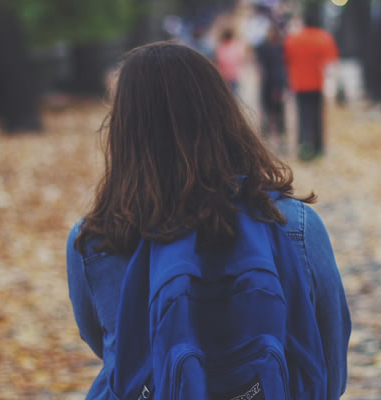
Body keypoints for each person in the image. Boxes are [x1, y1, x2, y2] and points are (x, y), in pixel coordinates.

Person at [66, 42, 350, 399]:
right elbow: (330, 370)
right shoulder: (294, 225)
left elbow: (114, 351)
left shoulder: (94, 240)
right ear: (225, 116)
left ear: (124, 130)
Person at [284, 11, 338, 161]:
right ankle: (319, 147)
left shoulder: (293, 39)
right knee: (317, 117)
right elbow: (330, 63)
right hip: (317, 83)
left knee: (302, 116)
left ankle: (303, 147)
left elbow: (287, 59)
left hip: (299, 83)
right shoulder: (324, 38)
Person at [255, 25, 289, 154]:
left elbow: (278, 70)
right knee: (272, 113)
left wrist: (279, 86)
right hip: (270, 85)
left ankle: (276, 141)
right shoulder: (274, 48)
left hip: (273, 85)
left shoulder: (275, 48)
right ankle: (274, 141)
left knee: (275, 114)